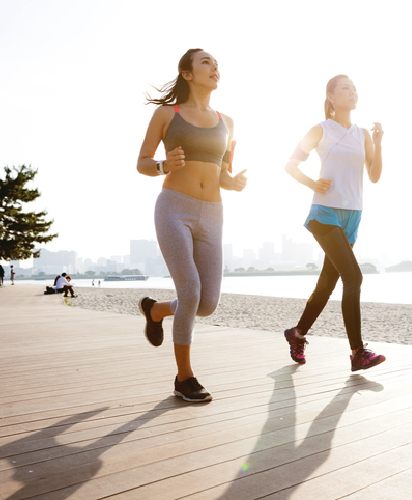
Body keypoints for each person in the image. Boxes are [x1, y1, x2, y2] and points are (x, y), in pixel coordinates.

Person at [136, 48, 248, 402]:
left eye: (216, 63)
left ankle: (155, 310)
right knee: (190, 292)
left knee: (207, 302)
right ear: (187, 74)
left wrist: (234, 183)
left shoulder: (227, 121)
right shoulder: (167, 114)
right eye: (206, 62)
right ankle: (184, 378)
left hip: (213, 213)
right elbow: (141, 162)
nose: (214, 67)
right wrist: (162, 166)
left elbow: (223, 175)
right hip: (173, 209)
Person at [282, 75, 385, 372]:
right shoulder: (320, 130)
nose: (352, 93)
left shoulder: (363, 133)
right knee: (354, 277)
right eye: (345, 89)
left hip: (352, 214)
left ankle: (297, 334)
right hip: (324, 213)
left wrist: (378, 145)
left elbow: (375, 176)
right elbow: (290, 164)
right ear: (331, 97)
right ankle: (358, 352)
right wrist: (312, 182)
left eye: (354, 89)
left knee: (327, 284)